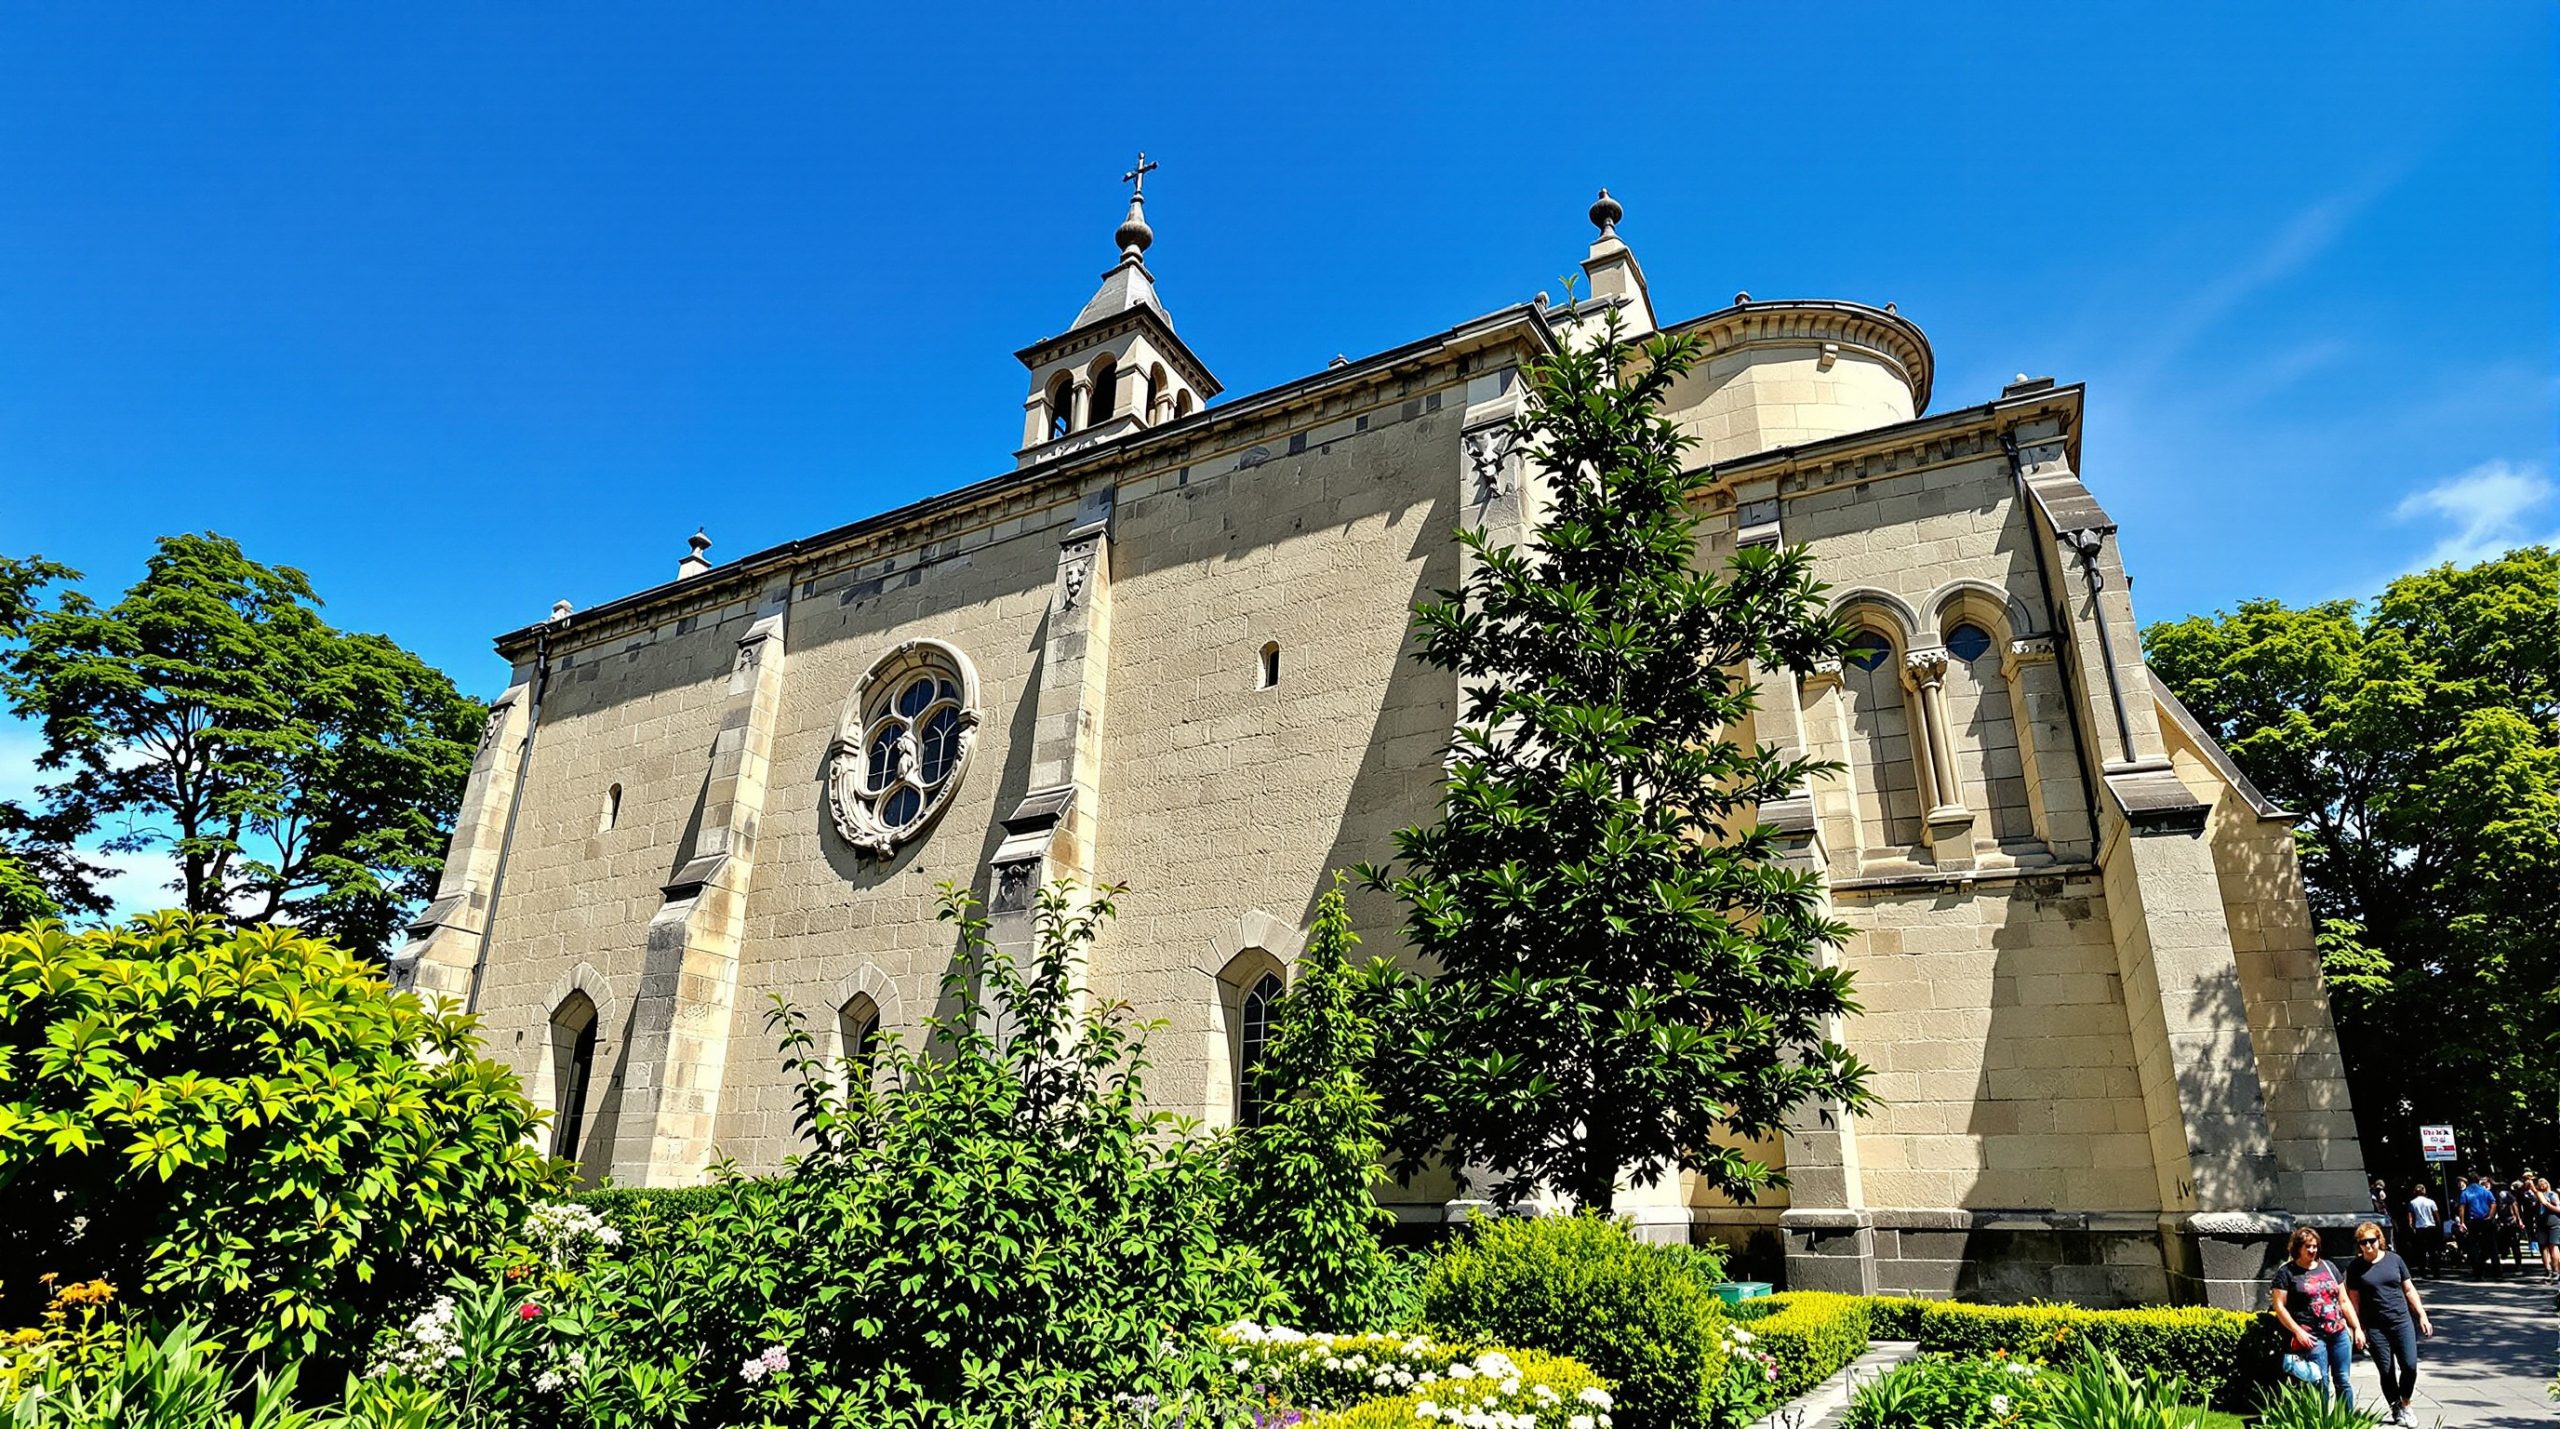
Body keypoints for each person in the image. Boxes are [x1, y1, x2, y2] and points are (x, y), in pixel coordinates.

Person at [2345, 1219, 2432, 1425]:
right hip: (2375, 1326)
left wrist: (2422, 1315)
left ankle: (2406, 1403)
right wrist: (2357, 1328)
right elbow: (2353, 1300)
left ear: (2379, 1240)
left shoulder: (2394, 1260)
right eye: (2363, 1242)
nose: (2368, 1246)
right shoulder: (2356, 1267)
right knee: (2386, 1370)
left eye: (2371, 1241)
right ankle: (2396, 1407)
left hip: (2401, 1321)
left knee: (2409, 1366)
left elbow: (2409, 1290)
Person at [2271, 1225, 2365, 1410]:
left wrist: (2357, 1328)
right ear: (2298, 1247)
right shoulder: (2287, 1273)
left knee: (2343, 1380)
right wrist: (2297, 1332)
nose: (2313, 1250)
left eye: (2315, 1246)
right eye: (2308, 1246)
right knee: (2319, 1381)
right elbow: (2279, 1307)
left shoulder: (2328, 1267)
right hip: (2312, 1337)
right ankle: (2320, 1422)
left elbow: (2344, 1301)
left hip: (2338, 1333)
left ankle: (2345, 1421)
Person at [2456, 1172, 2497, 1275]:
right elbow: (2493, 1203)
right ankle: (2497, 1271)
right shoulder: (2485, 1191)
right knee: (2491, 1246)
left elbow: (2462, 1207)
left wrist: (2462, 1222)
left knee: (2473, 1247)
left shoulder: (2465, 1193)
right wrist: (2491, 1216)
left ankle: (2478, 1273)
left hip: (2473, 1222)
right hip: (2486, 1221)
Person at [2406, 1184, 2442, 1275]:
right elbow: (2436, 1216)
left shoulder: (2412, 1203)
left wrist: (2411, 1228)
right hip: (2431, 1227)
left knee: (2420, 1251)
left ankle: (2422, 1271)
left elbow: (2410, 1218)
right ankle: (2436, 1271)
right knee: (2433, 1250)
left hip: (2420, 1228)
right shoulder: (2431, 1202)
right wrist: (2439, 1226)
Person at [2536, 1175, 2560, 1283]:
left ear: (2547, 1184)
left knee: (2553, 1246)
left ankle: (2556, 1270)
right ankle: (2548, 1270)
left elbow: (2557, 1207)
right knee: (2544, 1247)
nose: (2542, 1185)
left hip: (2553, 1221)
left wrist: (2549, 1206)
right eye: (2540, 1184)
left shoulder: (2552, 1194)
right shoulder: (2538, 1195)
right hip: (2542, 1223)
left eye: (2543, 1183)